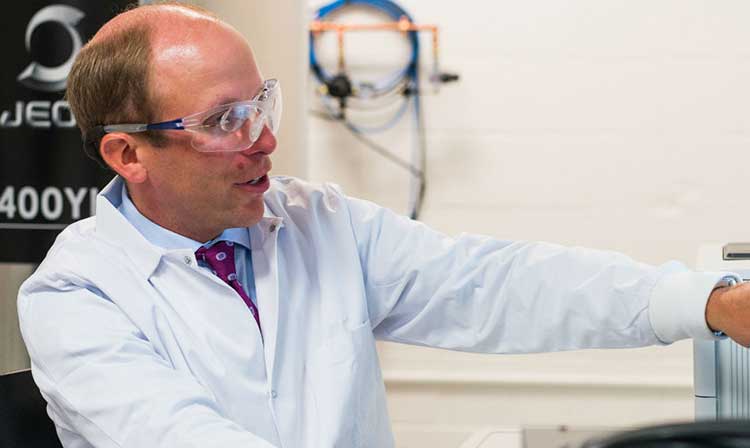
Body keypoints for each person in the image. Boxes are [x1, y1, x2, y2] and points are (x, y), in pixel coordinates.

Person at [16, 3, 750, 448]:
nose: (264, 139)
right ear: (128, 153)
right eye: (224, 122)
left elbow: (494, 283)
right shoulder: (76, 297)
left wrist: (707, 300)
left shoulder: (315, 222)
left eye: (260, 105)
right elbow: (179, 436)